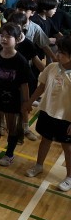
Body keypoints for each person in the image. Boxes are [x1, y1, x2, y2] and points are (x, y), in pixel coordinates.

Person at [0, 23, 33, 167]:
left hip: (12, 98)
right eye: (2, 36)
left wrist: (26, 102)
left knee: (12, 126)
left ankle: (9, 154)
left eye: (8, 37)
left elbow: (24, 84)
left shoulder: (20, 60)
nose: (3, 39)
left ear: (17, 39)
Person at [25, 35, 71, 192]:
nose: (57, 54)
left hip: (66, 117)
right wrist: (29, 102)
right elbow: (41, 86)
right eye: (58, 51)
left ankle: (69, 177)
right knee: (45, 140)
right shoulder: (51, 67)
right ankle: (39, 165)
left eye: (62, 53)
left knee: (68, 147)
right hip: (47, 111)